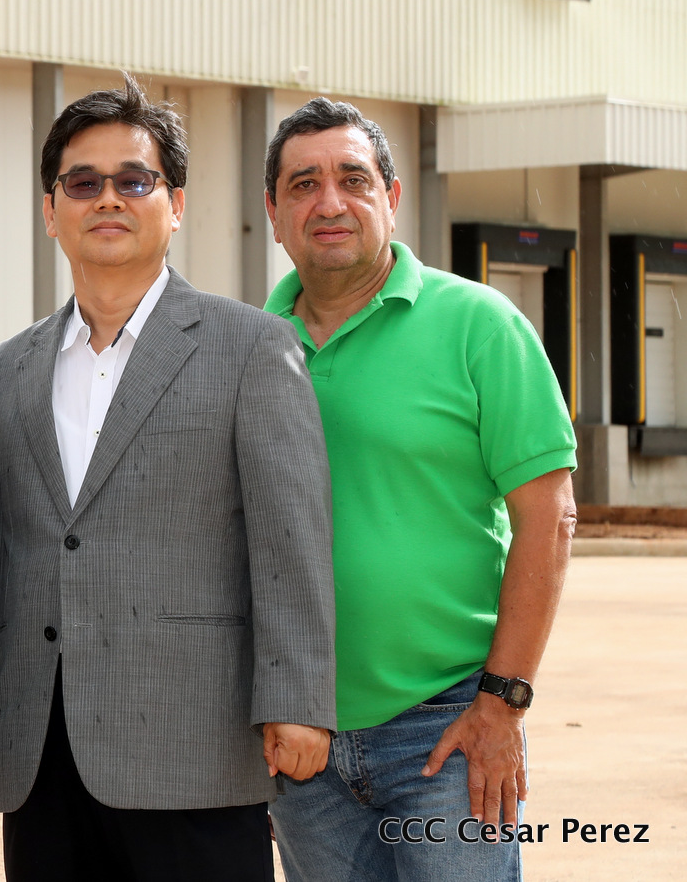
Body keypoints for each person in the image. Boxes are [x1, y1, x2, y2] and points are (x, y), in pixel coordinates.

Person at [0, 77, 337, 882]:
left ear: (174, 205)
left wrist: (299, 700)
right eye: (82, 182)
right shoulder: (5, 372)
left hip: (194, 745)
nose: (108, 198)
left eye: (134, 180)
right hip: (42, 753)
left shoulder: (251, 347)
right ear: (50, 211)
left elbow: (291, 539)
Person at [262, 98, 578, 881]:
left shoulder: (480, 325)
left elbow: (548, 518)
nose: (329, 202)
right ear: (272, 212)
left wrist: (503, 702)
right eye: (303, 184)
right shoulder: (250, 347)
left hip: (448, 730)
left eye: (352, 179)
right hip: (300, 741)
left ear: (392, 197)